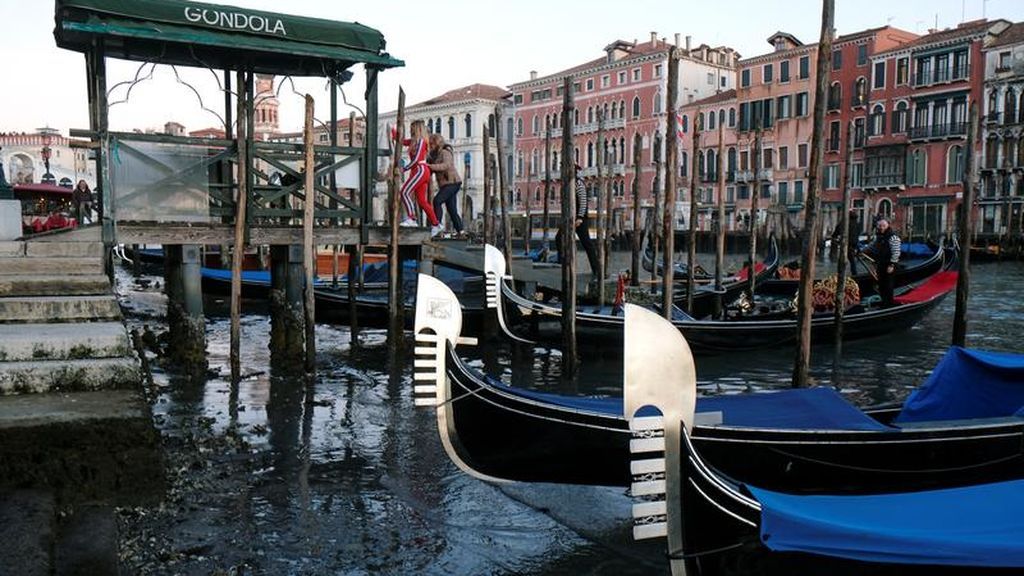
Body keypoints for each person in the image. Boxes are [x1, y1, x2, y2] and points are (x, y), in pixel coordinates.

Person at [394, 120, 440, 234]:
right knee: (422, 201)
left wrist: (404, 169)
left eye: (412, 128)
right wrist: (392, 131)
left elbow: (416, 159)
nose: (410, 130)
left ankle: (411, 218)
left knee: (404, 192)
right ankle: (436, 224)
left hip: (420, 170)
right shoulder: (414, 141)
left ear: (417, 129)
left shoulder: (421, 141)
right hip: (418, 171)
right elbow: (402, 141)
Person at [556, 164, 600, 276]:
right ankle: (562, 264)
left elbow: (583, 202)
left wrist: (580, 218)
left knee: (587, 244)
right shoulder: (566, 185)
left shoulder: (579, 184)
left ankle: (597, 270)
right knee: (559, 239)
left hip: (579, 220)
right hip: (568, 219)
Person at [426, 133, 463, 238]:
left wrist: (430, 166)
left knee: (437, 201)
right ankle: (461, 231)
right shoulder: (434, 155)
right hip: (446, 184)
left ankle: (437, 226)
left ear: (437, 143)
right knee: (451, 209)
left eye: (432, 144)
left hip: (452, 182)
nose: (430, 146)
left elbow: (445, 165)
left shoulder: (445, 152)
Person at [862, 217, 901, 307]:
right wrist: (862, 251)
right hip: (881, 264)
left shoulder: (893, 237)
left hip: (889, 265)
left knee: (888, 285)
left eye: (883, 225)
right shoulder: (879, 237)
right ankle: (884, 302)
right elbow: (872, 247)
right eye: (879, 226)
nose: (881, 227)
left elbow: (896, 252)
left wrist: (892, 265)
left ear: (888, 226)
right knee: (881, 284)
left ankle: (889, 303)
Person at [830, 208, 861, 274]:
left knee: (842, 260)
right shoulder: (857, 223)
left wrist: (834, 238)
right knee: (852, 261)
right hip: (855, 244)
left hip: (846, 244)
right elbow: (858, 233)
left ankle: (840, 274)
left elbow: (836, 233)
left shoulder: (843, 222)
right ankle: (854, 274)